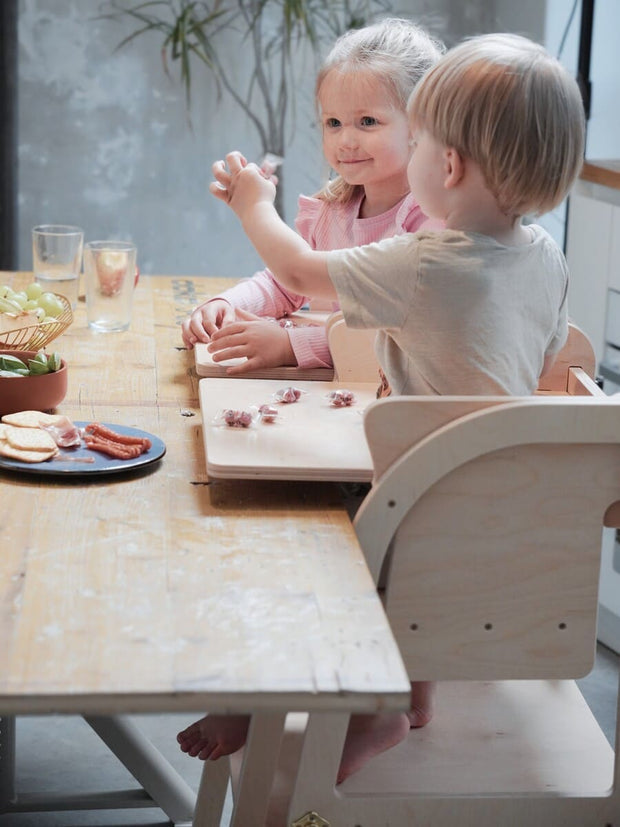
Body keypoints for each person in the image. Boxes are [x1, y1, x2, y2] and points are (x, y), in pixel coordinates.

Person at [179, 32, 586, 783]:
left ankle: (354, 706)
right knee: (408, 477)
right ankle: (416, 692)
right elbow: (549, 351)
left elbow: (297, 268)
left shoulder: (429, 260)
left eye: (417, 136)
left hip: (423, 508)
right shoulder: (545, 255)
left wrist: (252, 205)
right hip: (509, 504)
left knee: (289, 532)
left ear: (449, 163)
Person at [180, 18, 444, 373]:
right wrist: (225, 304)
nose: (345, 140)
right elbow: (285, 283)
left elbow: (396, 339)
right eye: (333, 123)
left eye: (367, 121)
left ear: (421, 125)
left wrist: (291, 345)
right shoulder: (333, 211)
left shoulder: (433, 223)